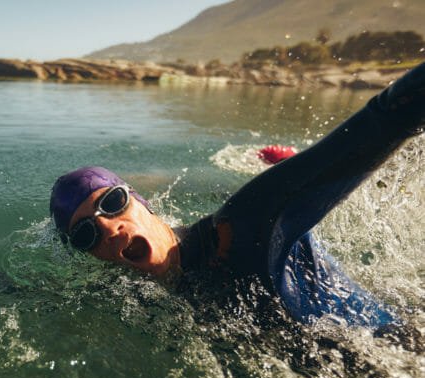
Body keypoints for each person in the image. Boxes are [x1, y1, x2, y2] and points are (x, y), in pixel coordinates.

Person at [50, 61, 425, 328]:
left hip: (394, 352)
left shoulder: (241, 229)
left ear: (143, 203)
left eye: (112, 203)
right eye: (87, 235)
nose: (110, 229)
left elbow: (385, 120)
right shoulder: (134, 294)